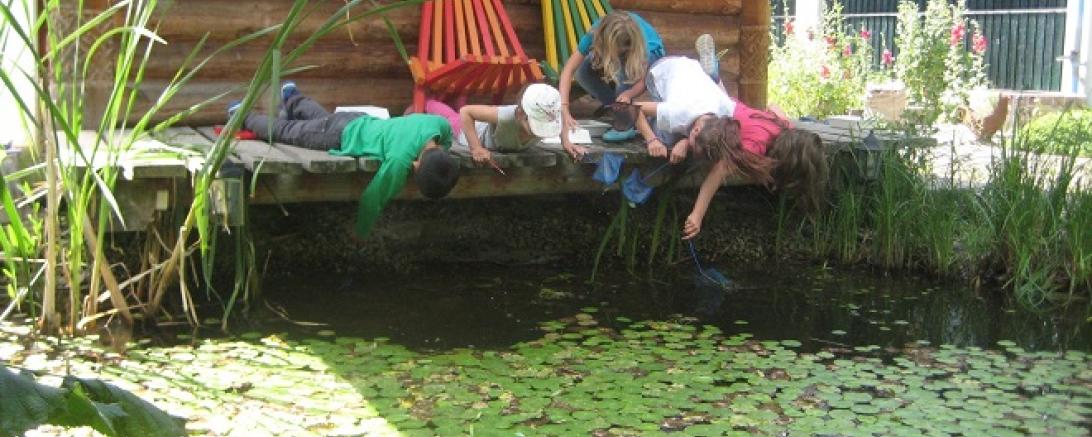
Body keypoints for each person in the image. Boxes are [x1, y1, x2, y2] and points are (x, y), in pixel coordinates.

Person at [232, 82, 460, 237]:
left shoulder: (438, 125)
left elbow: (448, 138)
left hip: (360, 120)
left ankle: (292, 98)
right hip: (341, 136)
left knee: (323, 120)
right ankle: (243, 115)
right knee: (287, 131)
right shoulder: (399, 160)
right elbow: (372, 199)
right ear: (417, 166)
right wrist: (361, 232)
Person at [681, 106, 828, 240]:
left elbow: (774, 107)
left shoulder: (785, 126)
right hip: (712, 114)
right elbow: (720, 169)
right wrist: (697, 215)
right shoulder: (756, 146)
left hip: (730, 105)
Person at [558, 10, 665, 154]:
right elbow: (569, 70)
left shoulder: (644, 47)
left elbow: (642, 81)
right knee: (582, 72)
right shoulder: (595, 34)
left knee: (624, 73)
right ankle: (618, 109)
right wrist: (564, 109)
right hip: (611, 46)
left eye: (621, 51)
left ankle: (625, 123)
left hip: (644, 55)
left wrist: (629, 93)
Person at [418, 84, 568, 163]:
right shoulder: (506, 116)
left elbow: (561, 117)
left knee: (458, 112)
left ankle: (460, 96)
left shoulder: (551, 113)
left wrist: (566, 142)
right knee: (453, 118)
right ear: (521, 113)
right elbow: (466, 112)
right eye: (536, 124)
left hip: (497, 139)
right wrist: (476, 148)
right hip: (472, 132)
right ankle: (429, 102)